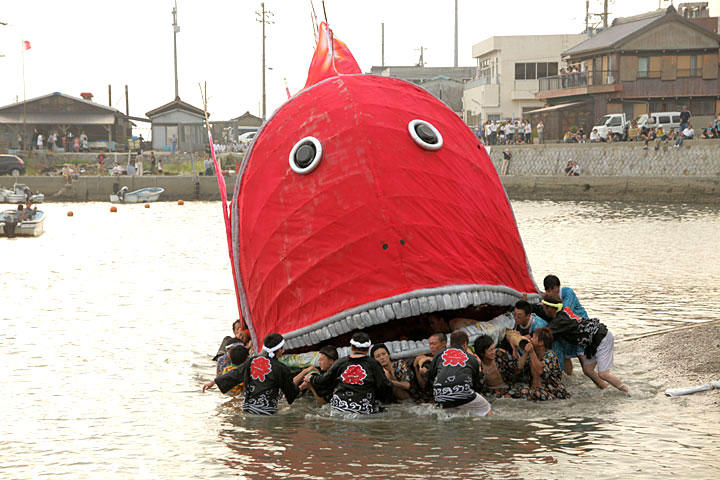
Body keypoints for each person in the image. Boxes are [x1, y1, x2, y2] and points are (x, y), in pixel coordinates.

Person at [542, 293, 629, 395]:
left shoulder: (561, 320)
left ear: (550, 308)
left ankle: (627, 391)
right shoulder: (563, 312)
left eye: (544, 307)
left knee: (603, 374)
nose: (543, 309)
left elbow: (544, 333)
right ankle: (605, 389)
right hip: (593, 340)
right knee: (587, 370)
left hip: (601, 337)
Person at [203, 333, 300, 415]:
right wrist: (302, 387)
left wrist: (213, 382)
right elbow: (290, 392)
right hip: (267, 412)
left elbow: (236, 373)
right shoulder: (282, 368)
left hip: (248, 408)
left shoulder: (253, 361)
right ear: (280, 350)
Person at [307, 332, 392, 414]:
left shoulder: (340, 362)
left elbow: (324, 381)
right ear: (368, 348)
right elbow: (385, 387)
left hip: (338, 409)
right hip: (364, 410)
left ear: (351, 347)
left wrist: (311, 378)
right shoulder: (374, 364)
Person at [426, 331, 491, 416]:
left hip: (440, 396)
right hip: (463, 393)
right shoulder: (471, 358)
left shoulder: (439, 355)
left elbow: (430, 375)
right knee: (487, 409)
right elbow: (476, 384)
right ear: (465, 344)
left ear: (451, 343)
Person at [509, 327, 569, 401]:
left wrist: (531, 352)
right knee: (512, 391)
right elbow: (518, 368)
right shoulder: (531, 354)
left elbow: (540, 370)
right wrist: (515, 350)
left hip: (550, 391)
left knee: (525, 393)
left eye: (533, 337)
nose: (530, 339)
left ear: (541, 342)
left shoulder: (550, 355)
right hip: (533, 389)